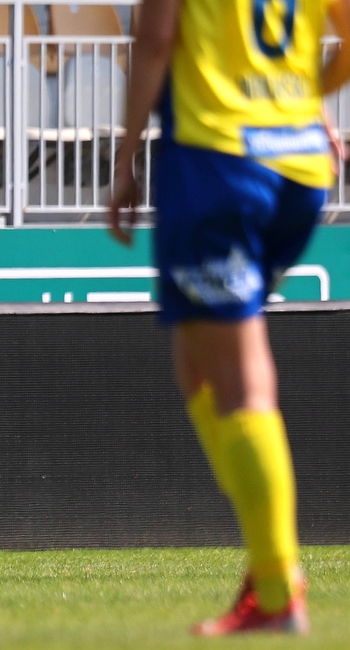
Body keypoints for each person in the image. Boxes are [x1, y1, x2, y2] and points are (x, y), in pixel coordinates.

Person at [108, 0, 350, 636]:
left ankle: (277, 587)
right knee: (198, 366)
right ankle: (267, 570)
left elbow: (157, 37)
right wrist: (306, 105)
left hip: (222, 163)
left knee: (238, 375)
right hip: (299, 170)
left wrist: (125, 157)